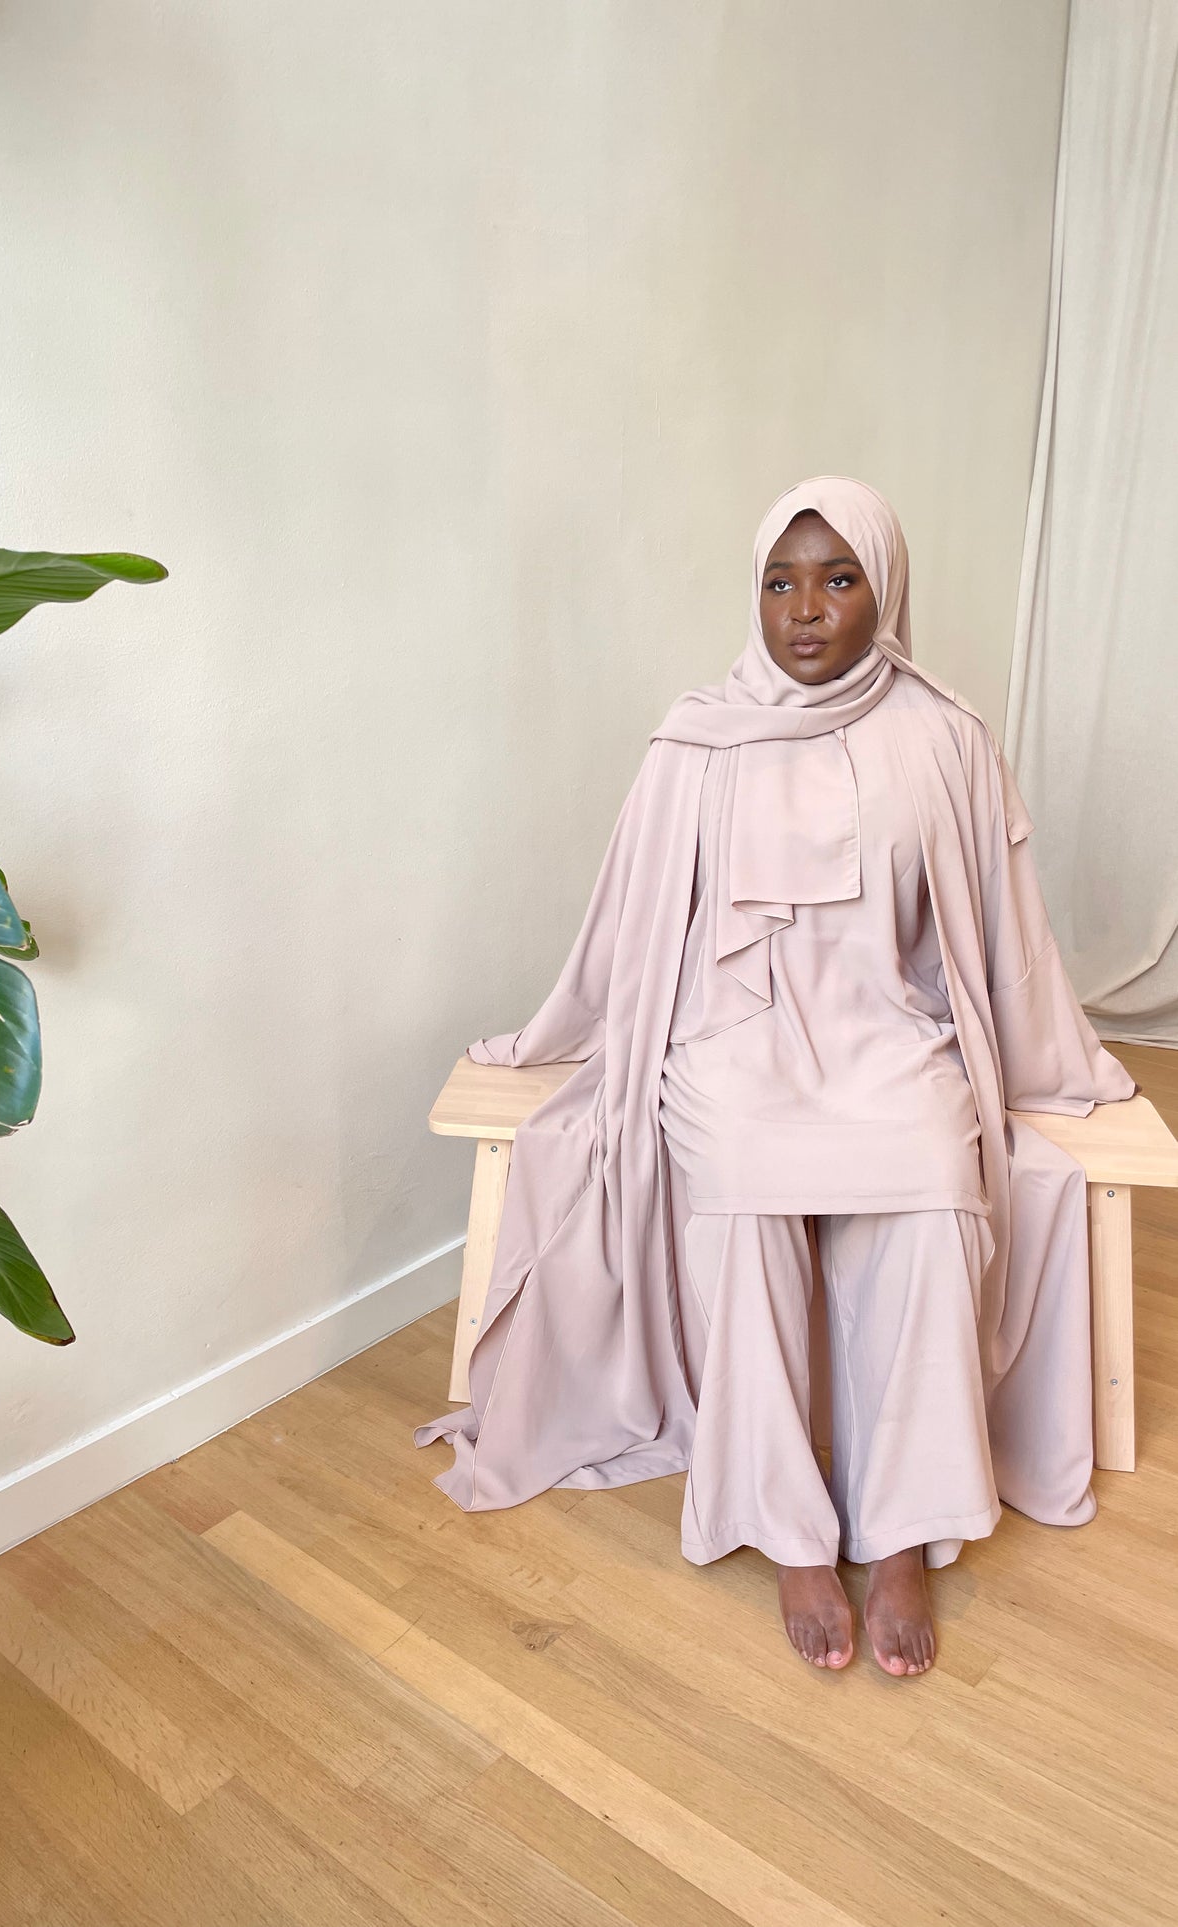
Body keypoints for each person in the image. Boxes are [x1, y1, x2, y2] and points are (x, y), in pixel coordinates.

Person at [413, 476, 1136, 1677]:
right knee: (739, 1191)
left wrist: (1046, 1056)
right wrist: (564, 1035)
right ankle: (788, 1527)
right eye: (779, 582)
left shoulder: (942, 736)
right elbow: (630, 924)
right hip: (729, 1043)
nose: (804, 608)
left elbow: (993, 930)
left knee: (933, 1185)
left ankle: (900, 1533)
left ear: (883, 590)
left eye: (837, 579)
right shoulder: (696, 737)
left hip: (884, 1036)